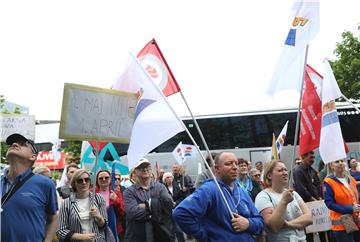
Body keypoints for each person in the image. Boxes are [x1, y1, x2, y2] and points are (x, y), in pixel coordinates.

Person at [173, 151, 264, 242]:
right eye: (229, 164)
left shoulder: (242, 192)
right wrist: (205, 237)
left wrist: (248, 224)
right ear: (217, 168)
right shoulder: (209, 189)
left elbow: (260, 222)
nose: (235, 167)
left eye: (236, 163)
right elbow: (181, 213)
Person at [1, 133, 58, 242]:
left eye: (22, 144)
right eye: (12, 143)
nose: (14, 144)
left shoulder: (45, 183)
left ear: (33, 156)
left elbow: (52, 218)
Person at [255, 160, 312, 242]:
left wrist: (289, 224)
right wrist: (283, 202)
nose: (285, 173)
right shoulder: (263, 197)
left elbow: (309, 218)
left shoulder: (294, 194)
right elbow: (274, 226)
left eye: (285, 170)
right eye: (280, 170)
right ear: (269, 175)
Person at [123, 158, 175, 242]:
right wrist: (158, 210)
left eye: (147, 167)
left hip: (160, 236)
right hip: (137, 237)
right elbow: (133, 213)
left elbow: (169, 204)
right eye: (141, 168)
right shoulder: (129, 191)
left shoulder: (160, 187)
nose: (145, 169)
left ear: (151, 170)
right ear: (135, 172)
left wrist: (148, 205)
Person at [57, 169, 108, 242]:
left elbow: (104, 226)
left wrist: (99, 217)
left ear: (90, 181)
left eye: (86, 179)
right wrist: (82, 237)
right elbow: (60, 231)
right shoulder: (66, 203)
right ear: (74, 183)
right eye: (80, 181)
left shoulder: (99, 198)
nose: (84, 182)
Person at [323, 159, 360, 242]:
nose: (340, 163)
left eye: (342, 161)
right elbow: (329, 204)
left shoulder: (351, 180)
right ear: (331, 166)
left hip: (357, 222)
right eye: (337, 162)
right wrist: (351, 209)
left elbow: (357, 198)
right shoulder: (329, 182)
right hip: (341, 226)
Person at [293, 150, 324, 242]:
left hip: (318, 206)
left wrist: (320, 198)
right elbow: (301, 189)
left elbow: (318, 185)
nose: (313, 160)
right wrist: (314, 200)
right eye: (311, 157)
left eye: (314, 158)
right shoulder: (298, 171)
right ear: (303, 157)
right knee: (309, 234)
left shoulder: (313, 171)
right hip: (306, 206)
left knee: (323, 229)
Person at [96, 170, 125, 242]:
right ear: (97, 180)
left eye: (106, 177)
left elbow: (122, 212)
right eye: (101, 178)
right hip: (97, 230)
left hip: (115, 230)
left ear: (110, 179)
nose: (104, 179)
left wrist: (116, 200)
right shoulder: (92, 193)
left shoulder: (116, 193)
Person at [163, 172, 185, 242]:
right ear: (165, 179)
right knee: (170, 231)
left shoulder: (177, 187)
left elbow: (181, 197)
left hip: (176, 210)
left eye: (170, 177)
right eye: (167, 177)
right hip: (167, 212)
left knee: (179, 230)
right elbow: (161, 199)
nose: (169, 179)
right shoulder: (162, 188)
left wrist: (176, 203)